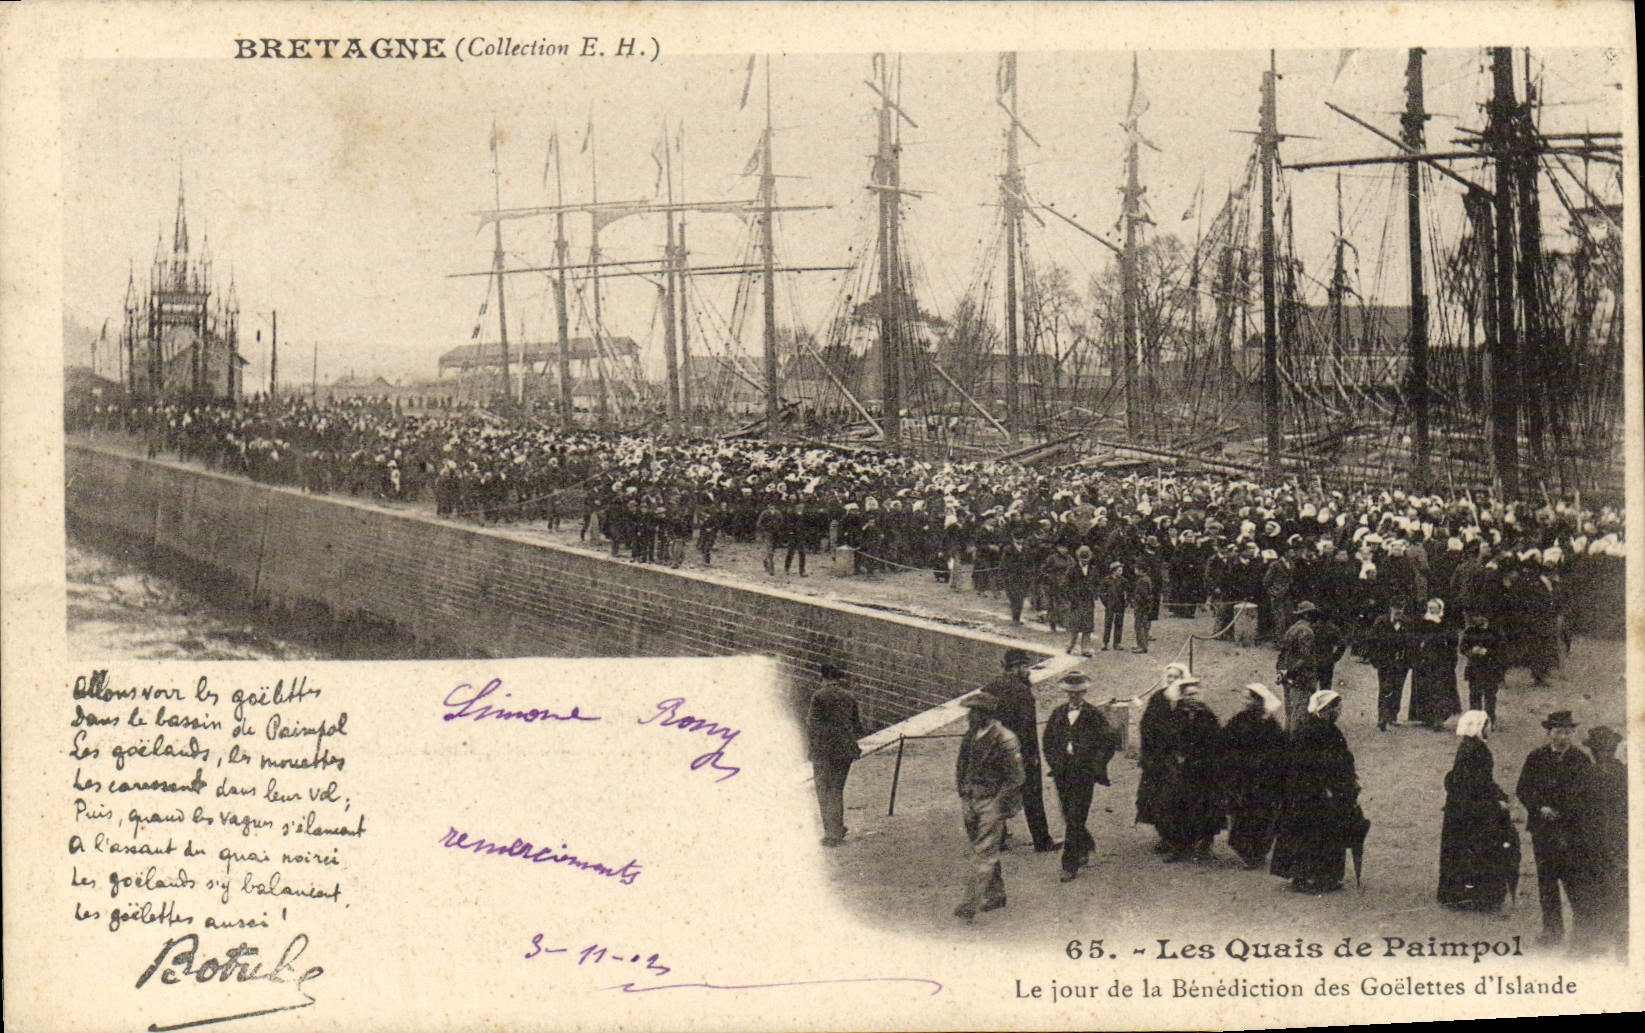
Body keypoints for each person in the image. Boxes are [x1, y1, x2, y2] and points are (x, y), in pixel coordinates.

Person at [1515, 709, 1599, 947]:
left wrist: (1564, 813)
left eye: (1567, 733)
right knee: (1547, 882)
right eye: (1558, 732)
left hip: (1570, 831)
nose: (1563, 737)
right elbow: (1523, 788)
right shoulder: (1536, 757)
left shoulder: (1581, 760)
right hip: (1542, 830)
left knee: (1574, 882)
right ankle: (1552, 931)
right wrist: (1539, 807)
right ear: (1549, 732)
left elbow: (1586, 795)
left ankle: (1584, 933)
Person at [1271, 690, 1366, 894]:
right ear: (1324, 709)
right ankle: (1306, 877)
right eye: (1336, 708)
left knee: (1324, 835)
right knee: (1310, 834)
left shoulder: (1331, 731)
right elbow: (1304, 766)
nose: (1338, 712)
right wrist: (1324, 787)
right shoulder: (1309, 732)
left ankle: (1324, 876)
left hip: (1325, 792)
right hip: (1310, 794)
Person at [1436, 710, 1520, 912]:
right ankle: (1480, 896)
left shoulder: (1468, 747)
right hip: (1473, 809)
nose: (1489, 728)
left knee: (1462, 852)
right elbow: (1479, 782)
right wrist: (1497, 800)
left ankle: (1459, 894)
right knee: (1481, 849)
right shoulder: (1477, 750)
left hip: (1462, 807)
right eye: (1486, 724)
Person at [1041, 672, 1120, 882]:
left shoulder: (1094, 715)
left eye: (1077, 693)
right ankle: (1084, 845)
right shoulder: (1058, 713)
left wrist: (1095, 766)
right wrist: (1054, 762)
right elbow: (1047, 741)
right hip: (1062, 772)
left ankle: (1069, 864)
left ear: (1084, 692)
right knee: (1069, 814)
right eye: (1070, 693)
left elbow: (1109, 743)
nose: (1074, 696)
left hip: (1083, 773)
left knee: (1076, 816)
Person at [953, 692, 1025, 922]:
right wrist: (964, 794)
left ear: (986, 714)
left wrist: (998, 804)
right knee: (983, 848)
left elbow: (1016, 777)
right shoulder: (970, 736)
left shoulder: (1005, 738)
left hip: (992, 801)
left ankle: (970, 903)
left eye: (974, 712)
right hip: (971, 800)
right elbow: (961, 767)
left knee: (984, 853)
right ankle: (996, 894)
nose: (969, 717)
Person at [985, 648, 1058, 853]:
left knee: (998, 792)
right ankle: (1042, 841)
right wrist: (1032, 756)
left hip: (995, 751)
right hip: (1020, 752)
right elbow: (1027, 729)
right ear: (1016, 667)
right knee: (1032, 795)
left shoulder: (991, 687)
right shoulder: (1023, 693)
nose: (1028, 671)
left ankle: (998, 839)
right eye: (1025, 666)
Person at [1152, 674, 1226, 862]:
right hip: (1182, 769)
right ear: (1182, 697)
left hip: (1205, 770)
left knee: (1208, 806)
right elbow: (1167, 739)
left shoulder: (1207, 715)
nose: (1192, 698)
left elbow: (1217, 741)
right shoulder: (1176, 715)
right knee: (1179, 806)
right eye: (1188, 694)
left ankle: (1205, 845)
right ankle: (1181, 846)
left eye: (1195, 694)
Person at [1221, 683, 1287, 870]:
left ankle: (1256, 853)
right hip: (1243, 778)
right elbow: (1225, 739)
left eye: (1249, 698)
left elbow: (1279, 752)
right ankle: (1248, 852)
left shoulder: (1270, 725)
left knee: (1261, 817)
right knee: (1242, 815)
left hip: (1263, 780)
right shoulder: (1240, 719)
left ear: (1259, 701)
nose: (1245, 701)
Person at [806, 663, 865, 847]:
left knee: (823, 790)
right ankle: (837, 827)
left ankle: (832, 834)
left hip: (824, 751)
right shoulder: (849, 696)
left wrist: (812, 748)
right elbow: (858, 726)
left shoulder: (818, 696)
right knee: (836, 789)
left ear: (822, 677)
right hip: (846, 750)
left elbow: (812, 725)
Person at [1582, 726, 1628, 956]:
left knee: (1599, 886)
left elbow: (1580, 809)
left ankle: (1601, 938)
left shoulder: (1590, 774)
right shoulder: (1623, 772)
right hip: (1619, 837)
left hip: (1597, 838)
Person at [1135, 662, 1189, 848]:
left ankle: (1181, 838)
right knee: (1157, 798)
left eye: (1176, 677)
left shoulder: (1187, 700)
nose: (1172, 680)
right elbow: (1146, 724)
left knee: (1178, 798)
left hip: (1179, 758)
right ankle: (1165, 835)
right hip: (1158, 757)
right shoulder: (1158, 697)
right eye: (1169, 677)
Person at [1409, 598, 1461, 730]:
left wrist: (1451, 658)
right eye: (1430, 607)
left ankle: (1439, 717)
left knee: (1440, 689)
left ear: (1440, 608)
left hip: (1441, 660)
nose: (1432, 609)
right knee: (1425, 688)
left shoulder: (1445, 623)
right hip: (1425, 660)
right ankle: (1427, 717)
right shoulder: (1422, 622)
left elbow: (1452, 642)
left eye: (1434, 607)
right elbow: (1415, 639)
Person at [1364, 601, 1413, 731]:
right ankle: (1382, 718)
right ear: (1391, 608)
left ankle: (1392, 716)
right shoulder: (1381, 621)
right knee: (1385, 688)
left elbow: (1412, 642)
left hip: (1401, 662)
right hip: (1385, 661)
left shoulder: (1407, 622)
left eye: (1401, 608)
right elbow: (1371, 640)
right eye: (1396, 608)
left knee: (1398, 688)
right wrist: (1374, 658)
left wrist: (1410, 660)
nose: (1399, 611)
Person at [1276, 601, 1320, 731]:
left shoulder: (1291, 630)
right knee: (1299, 716)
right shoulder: (1307, 632)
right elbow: (1305, 658)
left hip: (1288, 678)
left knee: (1289, 714)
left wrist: (1282, 672)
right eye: (1312, 614)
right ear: (1307, 615)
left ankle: (1287, 739)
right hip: (1301, 679)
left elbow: (1282, 654)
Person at [1459, 613, 1506, 726]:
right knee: (1474, 694)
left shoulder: (1495, 631)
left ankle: (1489, 720)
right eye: (1474, 616)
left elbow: (1502, 648)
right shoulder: (1470, 631)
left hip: (1491, 668)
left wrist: (1488, 652)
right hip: (1474, 667)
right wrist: (1471, 651)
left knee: (1490, 695)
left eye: (1478, 616)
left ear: (1485, 617)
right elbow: (1463, 648)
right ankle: (1475, 721)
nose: (1475, 618)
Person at [1100, 561, 1129, 652]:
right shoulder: (1106, 580)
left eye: (1121, 570)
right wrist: (1106, 602)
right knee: (1108, 623)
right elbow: (1101, 592)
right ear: (1113, 571)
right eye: (1119, 570)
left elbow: (1127, 592)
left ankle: (1117, 643)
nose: (1121, 572)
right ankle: (1105, 642)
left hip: (1120, 605)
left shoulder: (1124, 581)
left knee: (1119, 623)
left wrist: (1126, 601)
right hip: (1110, 605)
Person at [1131, 567, 1158, 654]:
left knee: (1140, 626)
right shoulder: (1146, 579)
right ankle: (1141, 645)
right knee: (1143, 626)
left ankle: (1142, 646)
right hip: (1144, 607)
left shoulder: (1143, 580)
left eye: (1136, 569)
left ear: (1141, 570)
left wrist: (1140, 604)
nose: (1135, 570)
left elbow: (1143, 595)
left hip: (1141, 607)